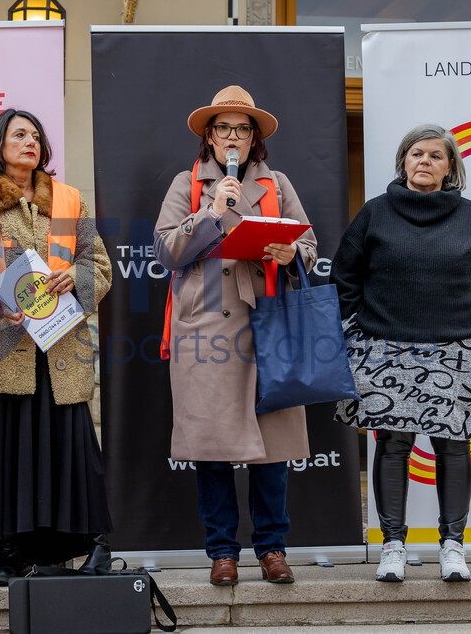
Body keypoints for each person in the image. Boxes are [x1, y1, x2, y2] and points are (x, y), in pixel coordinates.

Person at [331, 123, 471, 583]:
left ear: (451, 167)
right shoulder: (374, 214)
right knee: (393, 447)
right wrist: (356, 332)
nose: (424, 161)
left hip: (456, 351)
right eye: (416, 154)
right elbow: (345, 278)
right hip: (385, 349)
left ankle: (453, 546)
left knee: (454, 448)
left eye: (435, 155)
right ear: (403, 162)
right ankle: (393, 545)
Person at [153, 85, 318, 586]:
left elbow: (308, 242)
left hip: (268, 324)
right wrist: (210, 212)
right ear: (209, 136)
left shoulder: (277, 183)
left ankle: (272, 548)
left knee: (272, 451)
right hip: (205, 328)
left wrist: (293, 255)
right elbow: (166, 252)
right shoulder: (188, 183)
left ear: (254, 139)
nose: (232, 137)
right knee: (211, 447)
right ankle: (222, 551)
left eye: (241, 129)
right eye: (222, 127)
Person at [0, 108, 113, 586]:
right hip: (1, 349)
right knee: (2, 450)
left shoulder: (68, 200)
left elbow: (99, 265)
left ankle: (59, 550)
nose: (30, 142)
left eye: (36, 136)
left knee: (65, 448)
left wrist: (75, 277)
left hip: (60, 350)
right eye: (19, 134)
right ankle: (2, 554)